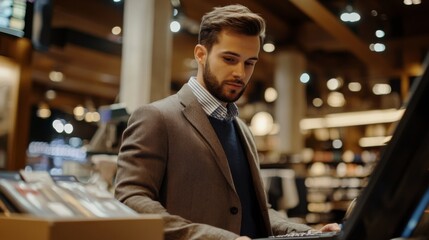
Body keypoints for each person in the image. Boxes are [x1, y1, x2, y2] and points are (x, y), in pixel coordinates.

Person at [114, 4, 340, 240]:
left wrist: (309, 233)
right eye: (230, 59)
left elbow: (257, 211)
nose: (240, 73)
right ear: (201, 54)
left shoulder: (242, 130)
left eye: (249, 63)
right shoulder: (156, 117)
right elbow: (131, 200)